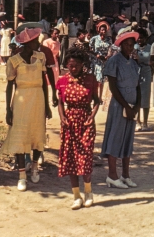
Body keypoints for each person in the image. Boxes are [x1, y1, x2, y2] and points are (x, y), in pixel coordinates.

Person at [1, 28, 52, 191]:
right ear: (27, 43)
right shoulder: (14, 60)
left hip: (37, 99)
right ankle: (22, 175)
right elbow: (9, 86)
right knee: (20, 136)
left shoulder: (40, 57)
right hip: (21, 100)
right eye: (35, 41)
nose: (38, 43)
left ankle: (35, 166)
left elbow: (44, 83)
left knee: (37, 133)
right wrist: (8, 109)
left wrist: (48, 105)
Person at [57, 48, 100, 210]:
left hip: (85, 121)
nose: (73, 68)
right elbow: (60, 102)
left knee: (85, 156)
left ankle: (88, 192)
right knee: (70, 159)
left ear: (83, 65)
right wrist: (62, 117)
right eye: (70, 65)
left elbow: (97, 101)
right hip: (69, 123)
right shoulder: (62, 81)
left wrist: (92, 116)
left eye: (76, 65)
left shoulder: (90, 80)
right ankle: (76, 196)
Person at [100, 31, 141, 189]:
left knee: (127, 140)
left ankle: (126, 175)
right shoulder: (114, 61)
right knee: (115, 138)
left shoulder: (134, 64)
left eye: (132, 45)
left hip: (131, 106)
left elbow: (138, 87)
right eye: (127, 45)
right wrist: (125, 106)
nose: (130, 48)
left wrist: (136, 106)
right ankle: (112, 175)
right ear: (121, 45)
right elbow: (112, 86)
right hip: (119, 105)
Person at [134, 28, 152, 132]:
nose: (140, 40)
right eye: (138, 38)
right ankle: (137, 121)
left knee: (146, 96)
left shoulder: (150, 47)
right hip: (136, 73)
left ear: (146, 38)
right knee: (137, 97)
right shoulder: (134, 47)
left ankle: (145, 121)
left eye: (142, 38)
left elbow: (151, 60)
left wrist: (140, 59)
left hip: (146, 72)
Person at [90, 22, 113, 100]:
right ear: (98, 30)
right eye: (102, 30)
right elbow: (90, 49)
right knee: (97, 80)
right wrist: (96, 55)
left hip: (105, 61)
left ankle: (100, 97)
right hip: (96, 61)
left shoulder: (109, 39)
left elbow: (110, 49)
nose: (103, 31)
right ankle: (95, 96)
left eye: (104, 30)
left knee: (102, 80)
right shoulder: (94, 39)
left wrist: (107, 56)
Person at [42, 27, 62, 92]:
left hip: (55, 61)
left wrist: (58, 65)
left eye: (58, 34)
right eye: (55, 33)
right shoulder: (46, 42)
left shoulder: (58, 43)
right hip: (47, 60)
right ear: (51, 34)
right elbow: (45, 52)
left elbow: (57, 55)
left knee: (55, 75)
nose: (57, 35)